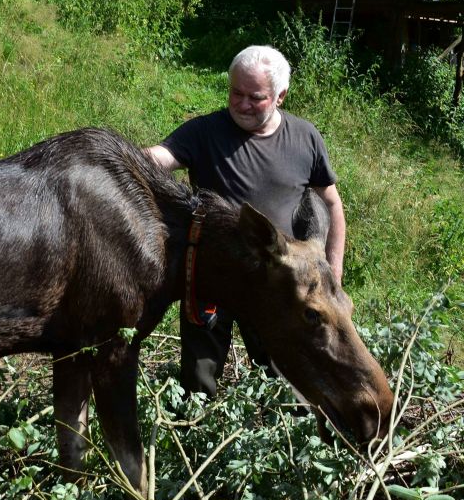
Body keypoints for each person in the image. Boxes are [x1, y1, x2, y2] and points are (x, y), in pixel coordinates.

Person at [145, 45, 346, 398]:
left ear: (280, 96)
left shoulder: (305, 138)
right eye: (235, 93)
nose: (241, 104)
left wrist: (332, 276)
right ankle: (195, 433)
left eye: (255, 97)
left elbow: (330, 203)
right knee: (198, 382)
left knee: (285, 382)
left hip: (282, 286)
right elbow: (157, 158)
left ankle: (282, 438)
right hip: (212, 279)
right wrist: (123, 160)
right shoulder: (204, 132)